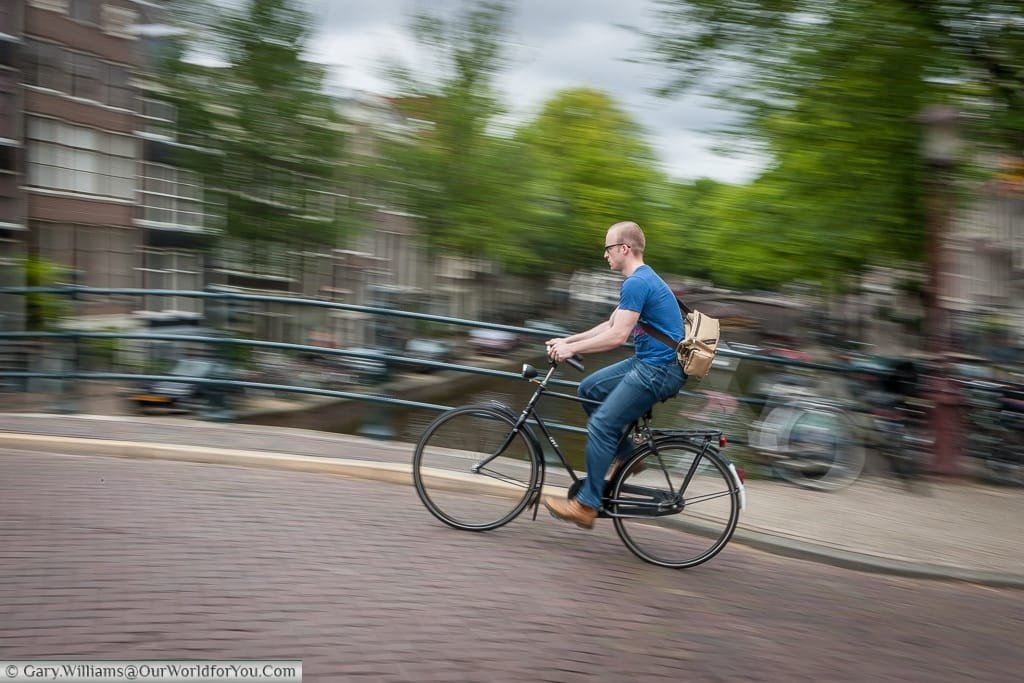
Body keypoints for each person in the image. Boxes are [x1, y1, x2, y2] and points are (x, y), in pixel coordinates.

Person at [543, 221, 685, 529]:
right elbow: (609, 325)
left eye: (608, 248)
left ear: (624, 249)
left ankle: (586, 504)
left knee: (602, 424)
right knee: (590, 388)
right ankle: (627, 454)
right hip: (649, 362)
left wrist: (569, 351)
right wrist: (568, 342)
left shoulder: (637, 282)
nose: (605, 254)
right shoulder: (640, 280)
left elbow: (617, 337)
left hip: (659, 370)